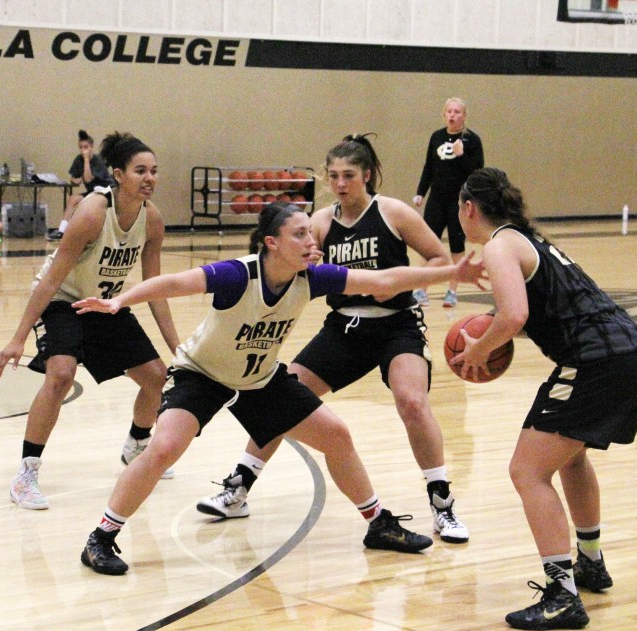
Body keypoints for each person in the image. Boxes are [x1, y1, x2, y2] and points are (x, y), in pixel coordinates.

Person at [73, 201, 487, 575]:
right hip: (202, 373)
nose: (313, 241)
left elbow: (382, 281)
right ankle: (101, 538)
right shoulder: (238, 275)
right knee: (163, 447)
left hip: (259, 379)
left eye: (311, 232)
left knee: (338, 437)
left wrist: (452, 272)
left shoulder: (314, 278)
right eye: (300, 235)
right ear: (272, 243)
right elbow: (175, 283)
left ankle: (378, 523)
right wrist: (120, 301)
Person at [197, 134, 471, 544]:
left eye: (349, 175)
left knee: (412, 401)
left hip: (397, 324)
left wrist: (414, 289)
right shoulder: (320, 224)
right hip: (343, 328)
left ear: (366, 175)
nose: (341, 183)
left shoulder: (393, 213)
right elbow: (295, 267)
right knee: (282, 398)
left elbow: (439, 259)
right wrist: (307, 264)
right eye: (335, 176)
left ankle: (442, 506)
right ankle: (239, 487)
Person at [452, 167, 637, 630]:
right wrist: (494, 327)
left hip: (596, 361)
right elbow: (531, 313)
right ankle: (590, 561)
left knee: (526, 470)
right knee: (571, 457)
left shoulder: (501, 243)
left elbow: (513, 314)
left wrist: (477, 351)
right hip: (631, 352)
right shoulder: (529, 241)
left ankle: (562, 594)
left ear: (468, 208)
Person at [0, 132, 180, 511]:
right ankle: (26, 474)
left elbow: (154, 289)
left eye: (154, 171)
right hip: (62, 300)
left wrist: (178, 347)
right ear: (118, 175)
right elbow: (51, 279)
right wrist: (18, 337)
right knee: (61, 374)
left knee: (157, 377)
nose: (149, 178)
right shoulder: (94, 212)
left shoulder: (152, 219)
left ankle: (137, 443)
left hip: (104, 305)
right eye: (140, 170)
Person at [413, 97, 484, 308]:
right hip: (436, 199)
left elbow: (477, 172)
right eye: (449, 111)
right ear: (444, 114)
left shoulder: (472, 140)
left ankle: (452, 292)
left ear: (464, 115)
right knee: (427, 245)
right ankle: (420, 290)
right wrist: (420, 192)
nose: (453, 115)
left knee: (456, 246)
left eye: (457, 112)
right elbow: (429, 167)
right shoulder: (436, 137)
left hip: (459, 202)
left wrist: (461, 155)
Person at [46, 129, 114, 241]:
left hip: (106, 191)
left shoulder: (98, 160)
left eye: (86, 147)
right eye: (81, 147)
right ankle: (61, 231)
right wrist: (75, 180)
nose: (83, 151)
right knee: (73, 199)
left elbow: (88, 178)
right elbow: (73, 178)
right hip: (93, 192)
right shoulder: (78, 159)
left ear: (91, 147)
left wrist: (87, 159)